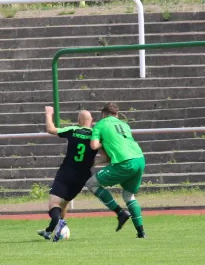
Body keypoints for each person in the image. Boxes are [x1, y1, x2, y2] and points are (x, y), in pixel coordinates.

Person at [37, 107, 99, 241]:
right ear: (92, 121)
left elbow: (51, 129)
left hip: (67, 171)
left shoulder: (73, 130)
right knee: (64, 204)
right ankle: (50, 231)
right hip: (83, 175)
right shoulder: (96, 134)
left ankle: (59, 223)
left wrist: (49, 114)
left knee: (54, 203)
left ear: (78, 120)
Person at [86, 102, 146, 238]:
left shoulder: (101, 124)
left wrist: (104, 140)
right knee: (128, 195)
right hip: (139, 159)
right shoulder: (125, 125)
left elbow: (94, 145)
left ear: (103, 114)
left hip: (124, 163)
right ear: (117, 114)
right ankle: (141, 233)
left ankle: (120, 213)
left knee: (91, 184)